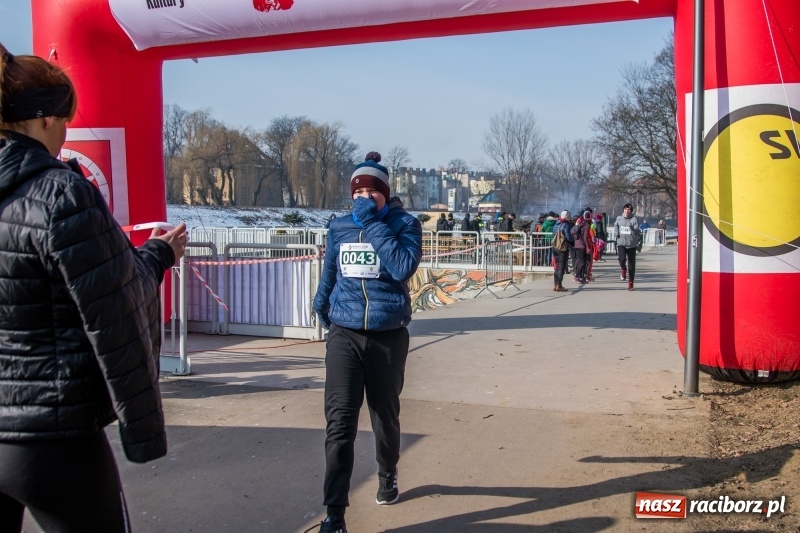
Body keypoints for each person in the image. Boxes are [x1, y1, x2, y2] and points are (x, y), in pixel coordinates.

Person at [0, 44, 186, 532]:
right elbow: (116, 303)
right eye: (65, 121)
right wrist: (159, 254)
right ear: (45, 119)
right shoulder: (61, 193)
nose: (65, 133)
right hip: (52, 433)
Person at [312, 152, 422, 533]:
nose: (363, 197)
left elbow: (402, 266)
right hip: (344, 334)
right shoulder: (339, 227)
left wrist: (373, 224)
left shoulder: (405, 224)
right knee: (339, 422)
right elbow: (331, 271)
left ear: (384, 194)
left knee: (384, 417)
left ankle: (387, 470)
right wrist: (321, 303)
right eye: (357, 191)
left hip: (387, 335)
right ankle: (334, 514)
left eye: (371, 191)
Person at [614, 203, 641, 291]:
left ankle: (631, 283)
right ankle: (623, 269)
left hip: (631, 244)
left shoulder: (634, 219)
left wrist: (632, 229)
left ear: (631, 211)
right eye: (625, 209)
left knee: (631, 265)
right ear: (623, 210)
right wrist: (616, 233)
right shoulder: (619, 218)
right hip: (621, 243)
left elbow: (637, 231)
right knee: (622, 259)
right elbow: (616, 225)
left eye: (629, 209)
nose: (627, 211)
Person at [551, 210, 573, 291]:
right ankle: (559, 285)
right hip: (562, 248)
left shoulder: (556, 223)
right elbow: (568, 237)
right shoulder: (565, 224)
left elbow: (553, 234)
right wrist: (573, 239)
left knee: (557, 267)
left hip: (555, 247)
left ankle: (555, 284)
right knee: (561, 266)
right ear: (567, 217)